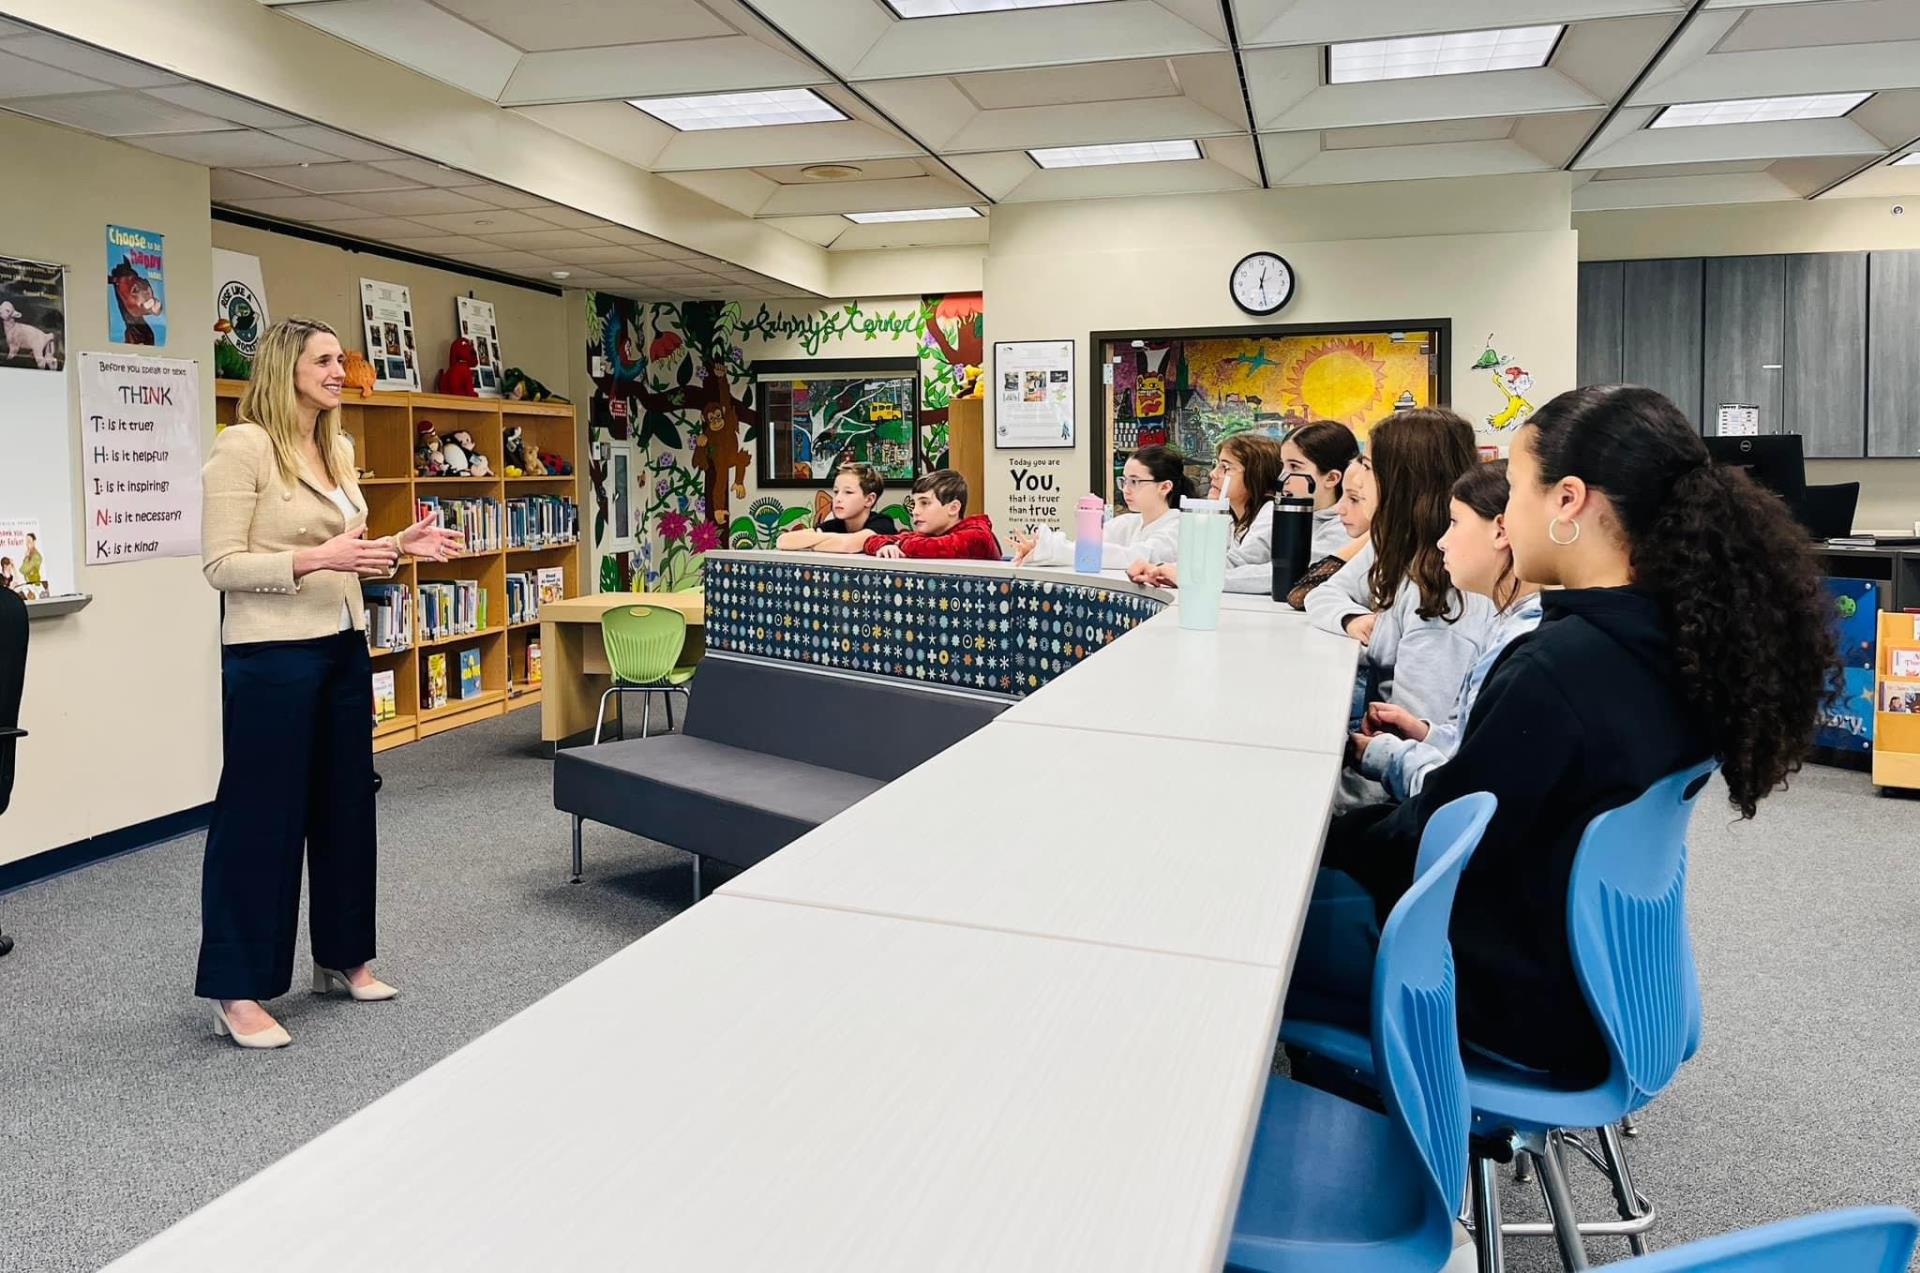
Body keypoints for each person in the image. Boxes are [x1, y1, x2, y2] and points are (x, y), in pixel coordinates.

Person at [1297, 385, 1835, 1086]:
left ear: (1568, 500)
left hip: (1497, 1001)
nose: (1505, 516)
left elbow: (1436, 842)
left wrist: (1309, 845)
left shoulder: (1559, 669)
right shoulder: (1680, 639)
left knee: (1266, 933)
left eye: (1516, 489)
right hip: (1592, 986)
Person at [198, 316, 463, 1050]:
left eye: (339, 361)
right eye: (324, 360)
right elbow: (220, 565)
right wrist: (317, 561)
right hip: (271, 656)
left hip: (342, 646)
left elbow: (346, 549)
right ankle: (236, 985)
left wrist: (394, 547)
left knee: (347, 805)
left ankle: (344, 956)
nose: (339, 370)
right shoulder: (242, 446)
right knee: (263, 818)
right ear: (286, 368)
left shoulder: (336, 446)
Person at [1305, 409, 1494, 807]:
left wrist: (1316, 804)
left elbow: (1401, 765)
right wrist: (1352, 617)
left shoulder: (1442, 600)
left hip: (1380, 805)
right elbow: (1318, 592)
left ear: (1404, 482)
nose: (1356, 474)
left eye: (1368, 464)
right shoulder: (1401, 548)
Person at [1351, 461, 1542, 802]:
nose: (1442, 542)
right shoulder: (1507, 624)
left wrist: (1382, 756)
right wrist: (1425, 734)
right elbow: (1469, 745)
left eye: (1454, 523)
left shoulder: (1518, 644)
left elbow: (1464, 788)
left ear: (1501, 531)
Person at [1130, 433, 1285, 591]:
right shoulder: (1233, 520)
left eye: (1225, 467)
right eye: (1216, 465)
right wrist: (1161, 570)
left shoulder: (1270, 513)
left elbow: (1241, 561)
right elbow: (1212, 560)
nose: (1213, 474)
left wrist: (1181, 573)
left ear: (1256, 473)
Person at [1009, 444, 1187, 569]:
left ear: (1164, 487)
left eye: (1135, 481)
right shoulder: (1127, 522)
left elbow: (1137, 557)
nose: (1126, 489)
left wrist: (1053, 549)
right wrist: (1041, 548)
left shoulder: (1177, 527)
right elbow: (1087, 547)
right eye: (1124, 481)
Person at [808, 469, 1001, 560]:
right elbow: (873, 541)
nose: (916, 511)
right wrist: (886, 544)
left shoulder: (978, 535)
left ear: (953, 508)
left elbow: (933, 548)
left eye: (925, 503)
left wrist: (898, 544)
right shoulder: (928, 533)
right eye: (915, 503)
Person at [1286, 454, 1374, 609]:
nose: (1339, 509)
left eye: (1354, 499)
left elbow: (1301, 594)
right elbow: (1299, 595)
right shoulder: (1373, 545)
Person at [1280, 421, 1361, 559]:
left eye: (1294, 466)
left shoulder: (1344, 529)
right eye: (1283, 465)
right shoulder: (1290, 517)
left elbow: (1294, 571)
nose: (1282, 478)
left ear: (1331, 478)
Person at [776, 462, 898, 549]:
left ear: (869, 500)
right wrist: (830, 540)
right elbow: (783, 541)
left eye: (848, 492)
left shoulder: (882, 523)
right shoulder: (836, 524)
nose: (838, 499)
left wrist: (813, 541)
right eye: (836, 491)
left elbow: (848, 545)